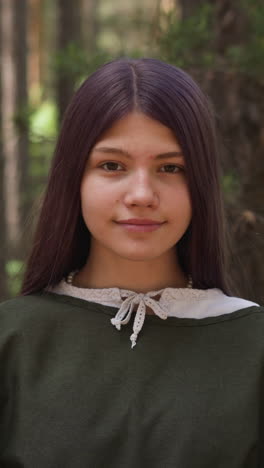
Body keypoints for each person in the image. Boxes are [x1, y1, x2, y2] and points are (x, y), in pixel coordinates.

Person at [0, 57, 263, 468]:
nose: (142, 193)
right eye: (112, 165)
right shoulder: (11, 339)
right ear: (75, 178)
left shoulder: (253, 345)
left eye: (171, 167)